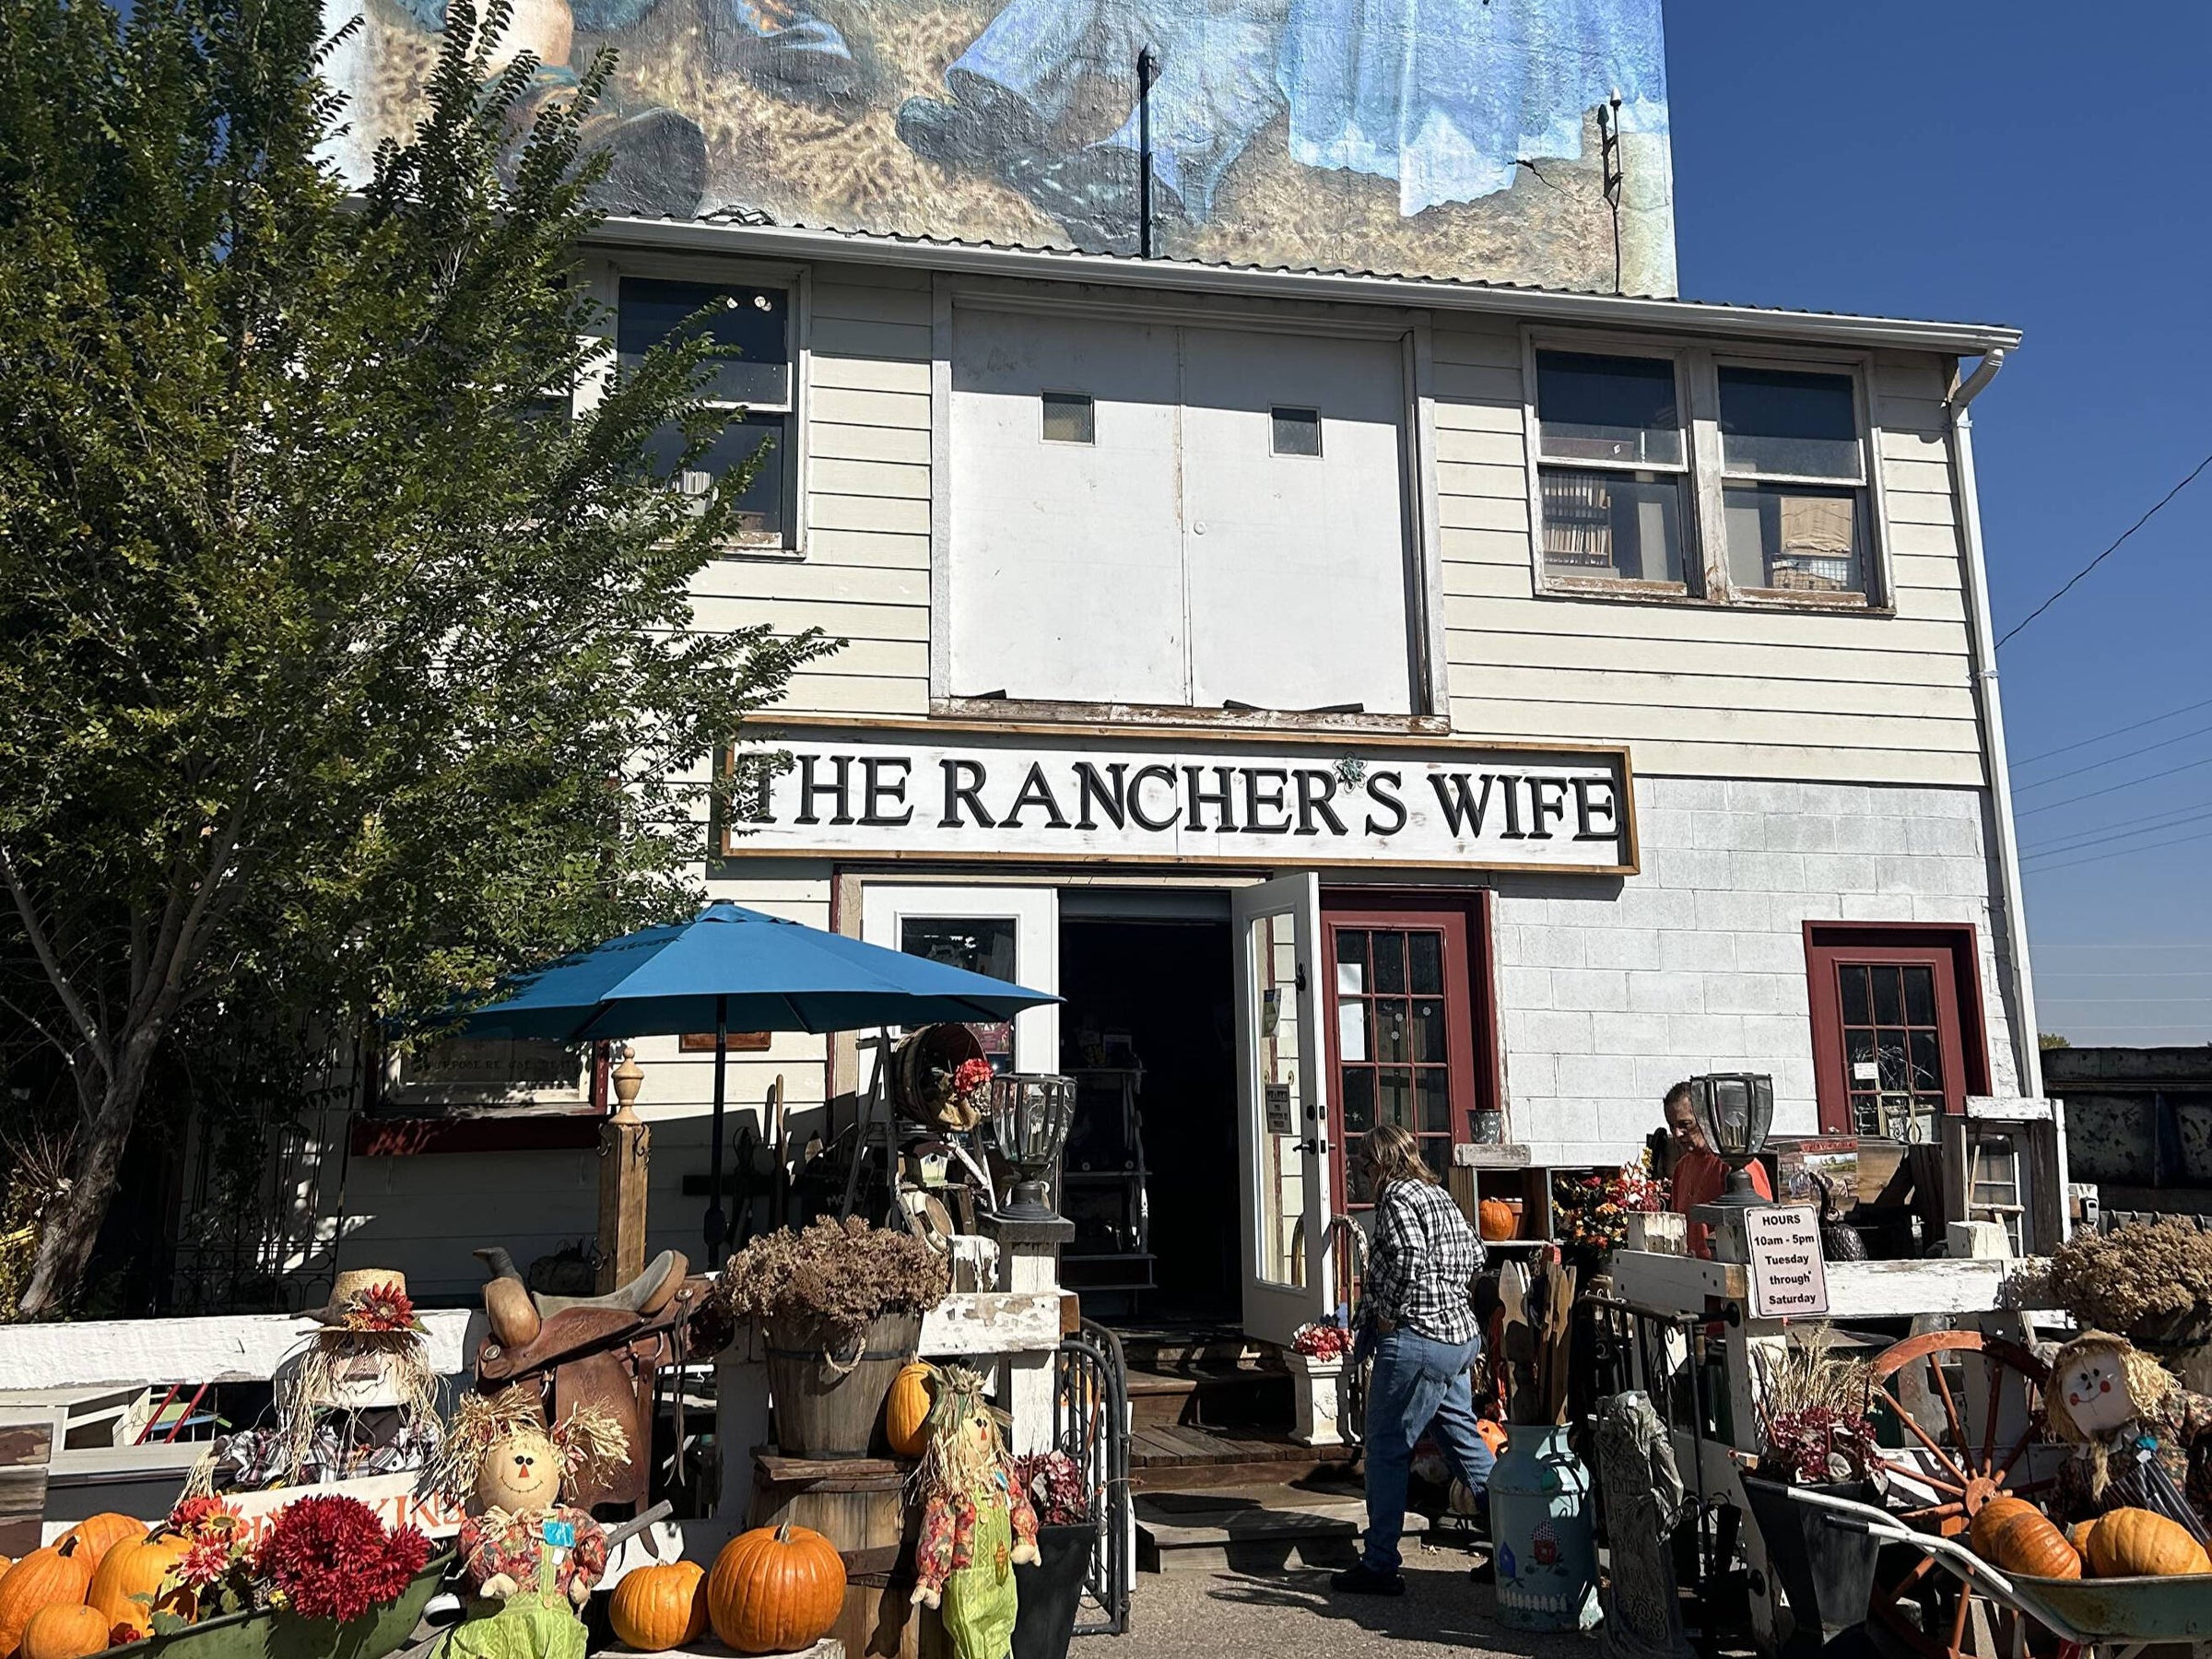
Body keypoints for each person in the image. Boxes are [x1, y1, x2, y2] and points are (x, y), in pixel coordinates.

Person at [1332, 1124, 1492, 1598]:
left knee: (1385, 1446)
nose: (1361, 1172)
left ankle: (1380, 1563)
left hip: (1417, 1339)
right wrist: (1443, 1292)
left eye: (1364, 1164)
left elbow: (1407, 1260)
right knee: (1462, 1438)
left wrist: (1387, 1315)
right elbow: (1477, 1253)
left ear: (1381, 1163)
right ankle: (1515, 1549)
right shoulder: (1437, 1195)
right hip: (1457, 1337)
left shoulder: (1397, 1198)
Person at [1664, 1080, 1771, 1260]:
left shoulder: (1738, 1165)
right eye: (1672, 1126)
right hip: (1692, 1274)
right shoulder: (1682, 1168)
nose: (1677, 1134)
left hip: (1728, 1275)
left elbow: (1763, 1229)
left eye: (1685, 1124)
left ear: (1705, 1117)